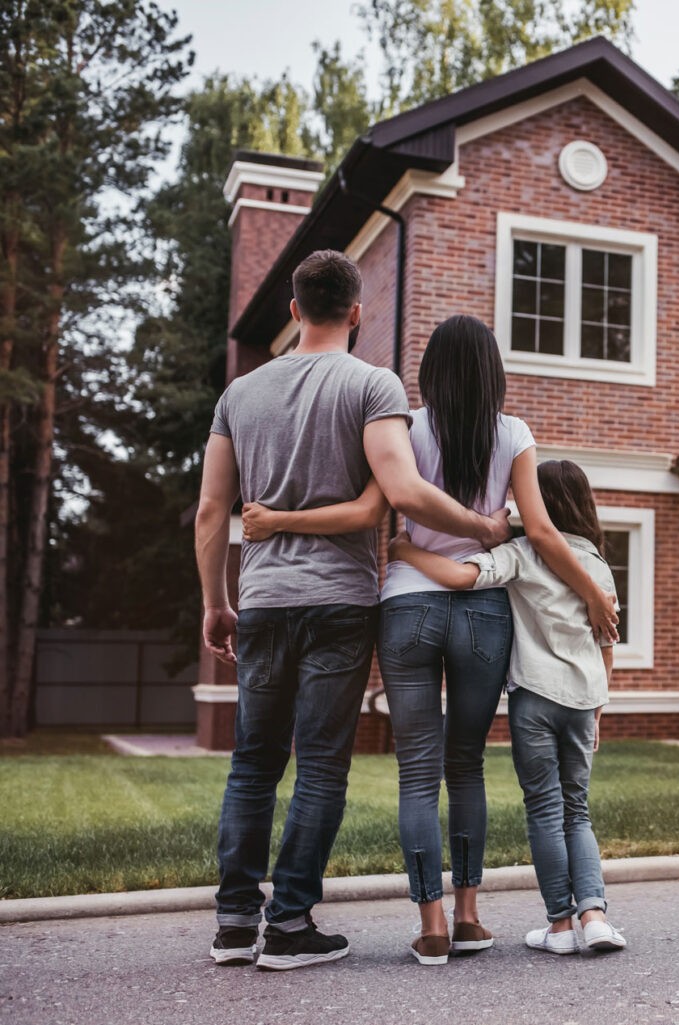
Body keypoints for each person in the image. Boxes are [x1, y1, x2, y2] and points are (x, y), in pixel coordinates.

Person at [241, 315, 619, 966]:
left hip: (408, 604)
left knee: (417, 771)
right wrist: (589, 589)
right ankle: (469, 916)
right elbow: (541, 532)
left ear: (429, 372)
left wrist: (398, 545)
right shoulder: (514, 433)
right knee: (465, 764)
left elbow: (378, 504)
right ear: (494, 372)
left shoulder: (403, 427)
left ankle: (433, 924)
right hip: (482, 611)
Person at [194, 252, 516, 971]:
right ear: (357, 312)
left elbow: (213, 508)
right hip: (339, 601)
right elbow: (399, 492)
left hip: (264, 600)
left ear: (293, 309)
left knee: (252, 764)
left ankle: (234, 924)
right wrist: (483, 527)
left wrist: (217, 600)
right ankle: (289, 924)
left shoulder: (239, 394)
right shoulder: (372, 384)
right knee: (319, 767)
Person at [388, 458, 626, 954]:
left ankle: (560, 927)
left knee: (545, 810)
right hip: (584, 702)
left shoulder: (520, 554)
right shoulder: (598, 566)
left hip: (535, 700)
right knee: (577, 811)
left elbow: (460, 577)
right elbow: (606, 646)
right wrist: (598, 712)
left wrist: (405, 549)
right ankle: (596, 917)